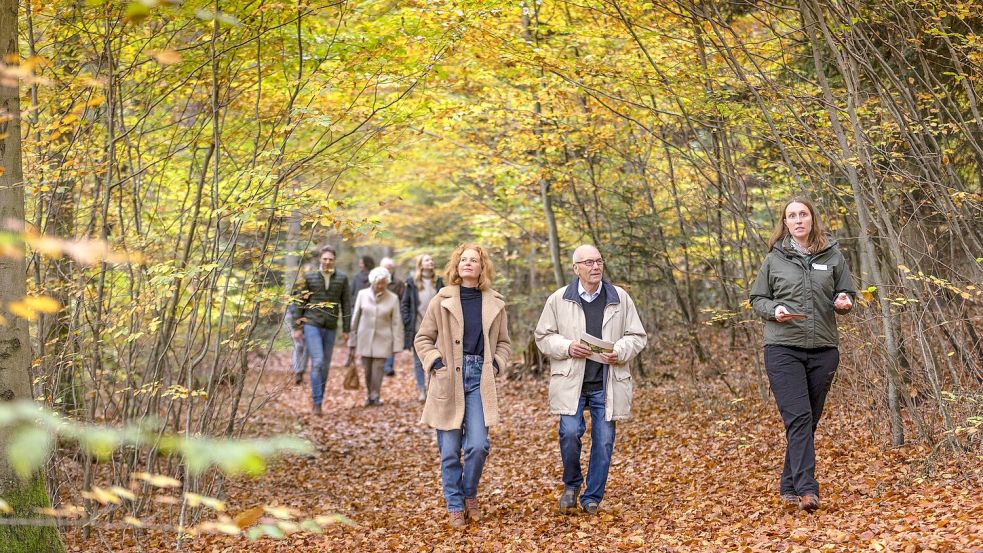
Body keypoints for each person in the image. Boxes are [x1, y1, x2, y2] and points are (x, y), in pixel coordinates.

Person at [749, 196, 856, 513]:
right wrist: (774, 309)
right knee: (799, 418)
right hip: (783, 349)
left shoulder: (833, 256)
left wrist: (844, 300)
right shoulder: (775, 259)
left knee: (806, 423)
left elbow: (846, 290)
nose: (797, 220)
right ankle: (808, 490)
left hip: (824, 350)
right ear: (784, 223)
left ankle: (788, 484)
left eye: (803, 214)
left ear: (812, 219)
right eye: (791, 216)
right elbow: (757, 298)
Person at [534, 244, 647, 516]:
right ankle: (572, 484)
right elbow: (543, 337)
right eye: (588, 263)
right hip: (571, 381)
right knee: (569, 433)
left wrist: (619, 351)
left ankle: (592, 496)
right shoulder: (559, 299)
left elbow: (637, 336)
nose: (595, 267)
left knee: (604, 440)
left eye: (598, 261)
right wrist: (568, 346)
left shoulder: (619, 297)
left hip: (606, 383)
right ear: (576, 269)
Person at [416, 244, 511, 528]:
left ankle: (469, 493)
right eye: (464, 259)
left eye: (474, 260)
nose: (468, 263)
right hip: (448, 379)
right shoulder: (441, 299)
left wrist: (495, 364)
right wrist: (436, 363)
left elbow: (505, 343)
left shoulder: (495, 302)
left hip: (479, 379)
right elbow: (422, 339)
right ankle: (455, 504)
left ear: (482, 268)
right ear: (456, 266)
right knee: (448, 451)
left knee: (479, 445)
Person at [290, 246, 351, 416]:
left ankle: (320, 400)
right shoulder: (309, 278)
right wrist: (297, 326)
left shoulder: (342, 279)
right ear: (320, 259)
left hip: (331, 326)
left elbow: (346, 304)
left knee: (324, 366)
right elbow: (300, 303)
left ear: (334, 260)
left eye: (330, 259)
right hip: (312, 324)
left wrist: (346, 329)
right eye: (325, 259)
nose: (327, 261)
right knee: (317, 361)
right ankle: (316, 402)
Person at [349, 267, 404, 406]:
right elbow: (355, 318)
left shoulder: (393, 298)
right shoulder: (362, 294)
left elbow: (396, 322)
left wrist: (397, 345)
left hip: (383, 339)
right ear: (372, 282)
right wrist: (352, 341)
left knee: (378, 370)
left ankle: (375, 395)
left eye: (383, 283)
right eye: (378, 283)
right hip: (364, 338)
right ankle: (369, 394)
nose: (380, 286)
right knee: (367, 370)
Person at [401, 253, 444, 401]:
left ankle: (432, 389)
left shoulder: (439, 282)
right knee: (418, 361)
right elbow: (405, 304)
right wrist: (407, 321)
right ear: (420, 264)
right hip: (417, 328)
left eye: (432, 260)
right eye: (427, 260)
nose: (430, 262)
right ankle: (421, 391)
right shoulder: (412, 282)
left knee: (435, 359)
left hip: (438, 329)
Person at [380, 257, 406, 377]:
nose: (388, 270)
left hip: (392, 317)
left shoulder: (399, 283)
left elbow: (403, 300)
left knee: (390, 341)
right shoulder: (374, 281)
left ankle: (388, 366)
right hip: (378, 317)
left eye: (390, 268)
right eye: (386, 267)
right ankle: (381, 363)